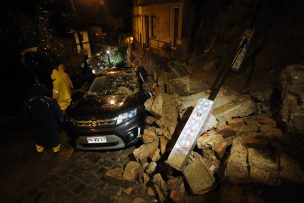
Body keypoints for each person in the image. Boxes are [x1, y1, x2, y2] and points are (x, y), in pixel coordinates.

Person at [26, 83, 63, 153]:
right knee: (53, 137)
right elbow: (58, 113)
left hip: (36, 125)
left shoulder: (29, 102)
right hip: (50, 124)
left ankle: (39, 149)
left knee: (38, 137)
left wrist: (29, 124)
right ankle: (56, 149)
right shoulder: (50, 100)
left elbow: (27, 116)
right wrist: (61, 121)